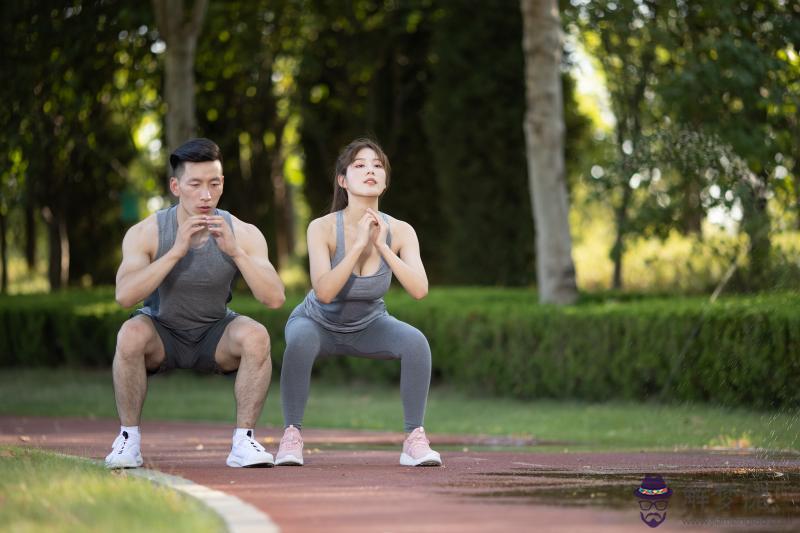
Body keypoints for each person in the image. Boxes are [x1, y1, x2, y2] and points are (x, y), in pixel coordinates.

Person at [105, 138, 285, 469]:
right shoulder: (147, 232)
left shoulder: (243, 232)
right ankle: (128, 441)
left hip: (214, 335)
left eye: (214, 184)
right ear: (176, 186)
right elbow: (124, 296)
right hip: (162, 332)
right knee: (129, 333)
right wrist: (176, 250)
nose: (206, 195)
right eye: (195, 184)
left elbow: (274, 298)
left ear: (222, 185)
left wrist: (235, 252)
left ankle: (243, 441)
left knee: (257, 335)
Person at [276, 138, 441, 467]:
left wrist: (381, 247)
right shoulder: (321, 228)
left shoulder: (402, 231)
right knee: (300, 339)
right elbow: (324, 292)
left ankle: (414, 439)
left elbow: (419, 289)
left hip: (370, 325)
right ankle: (291, 435)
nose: (371, 170)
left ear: (385, 179)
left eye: (378, 165)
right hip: (316, 322)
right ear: (342, 179)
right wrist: (357, 247)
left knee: (416, 343)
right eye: (360, 165)